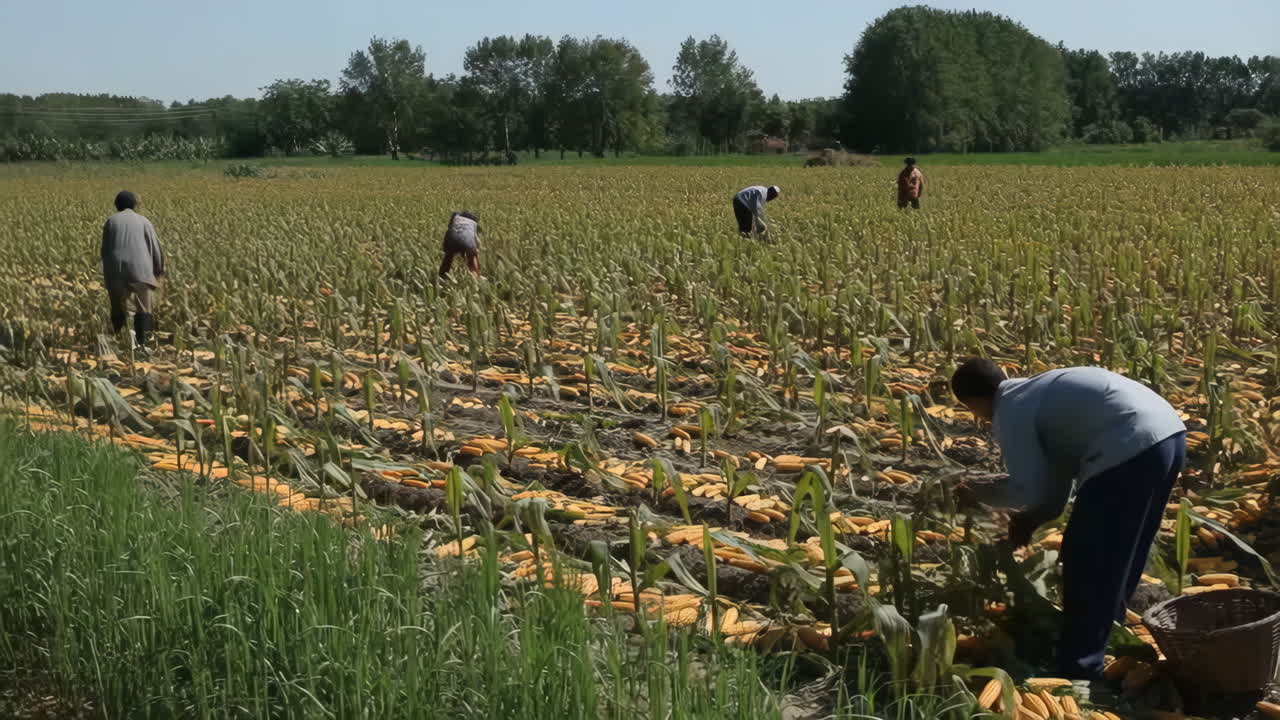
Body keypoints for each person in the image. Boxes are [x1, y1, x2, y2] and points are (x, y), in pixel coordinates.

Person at [949, 358, 1187, 680]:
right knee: (1125, 546)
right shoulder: (1038, 395)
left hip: (1127, 445)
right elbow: (1054, 484)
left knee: (1085, 556)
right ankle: (1109, 630)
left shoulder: (1011, 411)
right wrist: (1032, 518)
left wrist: (977, 492)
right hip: (1169, 435)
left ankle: (1079, 668)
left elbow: (1026, 488)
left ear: (973, 403)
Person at [101, 190, 165, 348]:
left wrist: (109, 275)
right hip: (140, 269)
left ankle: (119, 340)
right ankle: (143, 343)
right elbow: (155, 247)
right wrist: (158, 270)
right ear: (135, 205)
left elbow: (104, 250)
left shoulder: (111, 221)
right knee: (143, 306)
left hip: (116, 269)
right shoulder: (144, 221)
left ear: (117, 205)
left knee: (118, 305)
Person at [439, 211, 481, 278]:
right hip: (467, 240)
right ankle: (476, 276)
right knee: (473, 256)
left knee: (448, 256)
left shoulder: (456, 217)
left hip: (451, 239)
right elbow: (475, 240)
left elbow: (450, 228)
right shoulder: (473, 223)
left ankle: (442, 276)